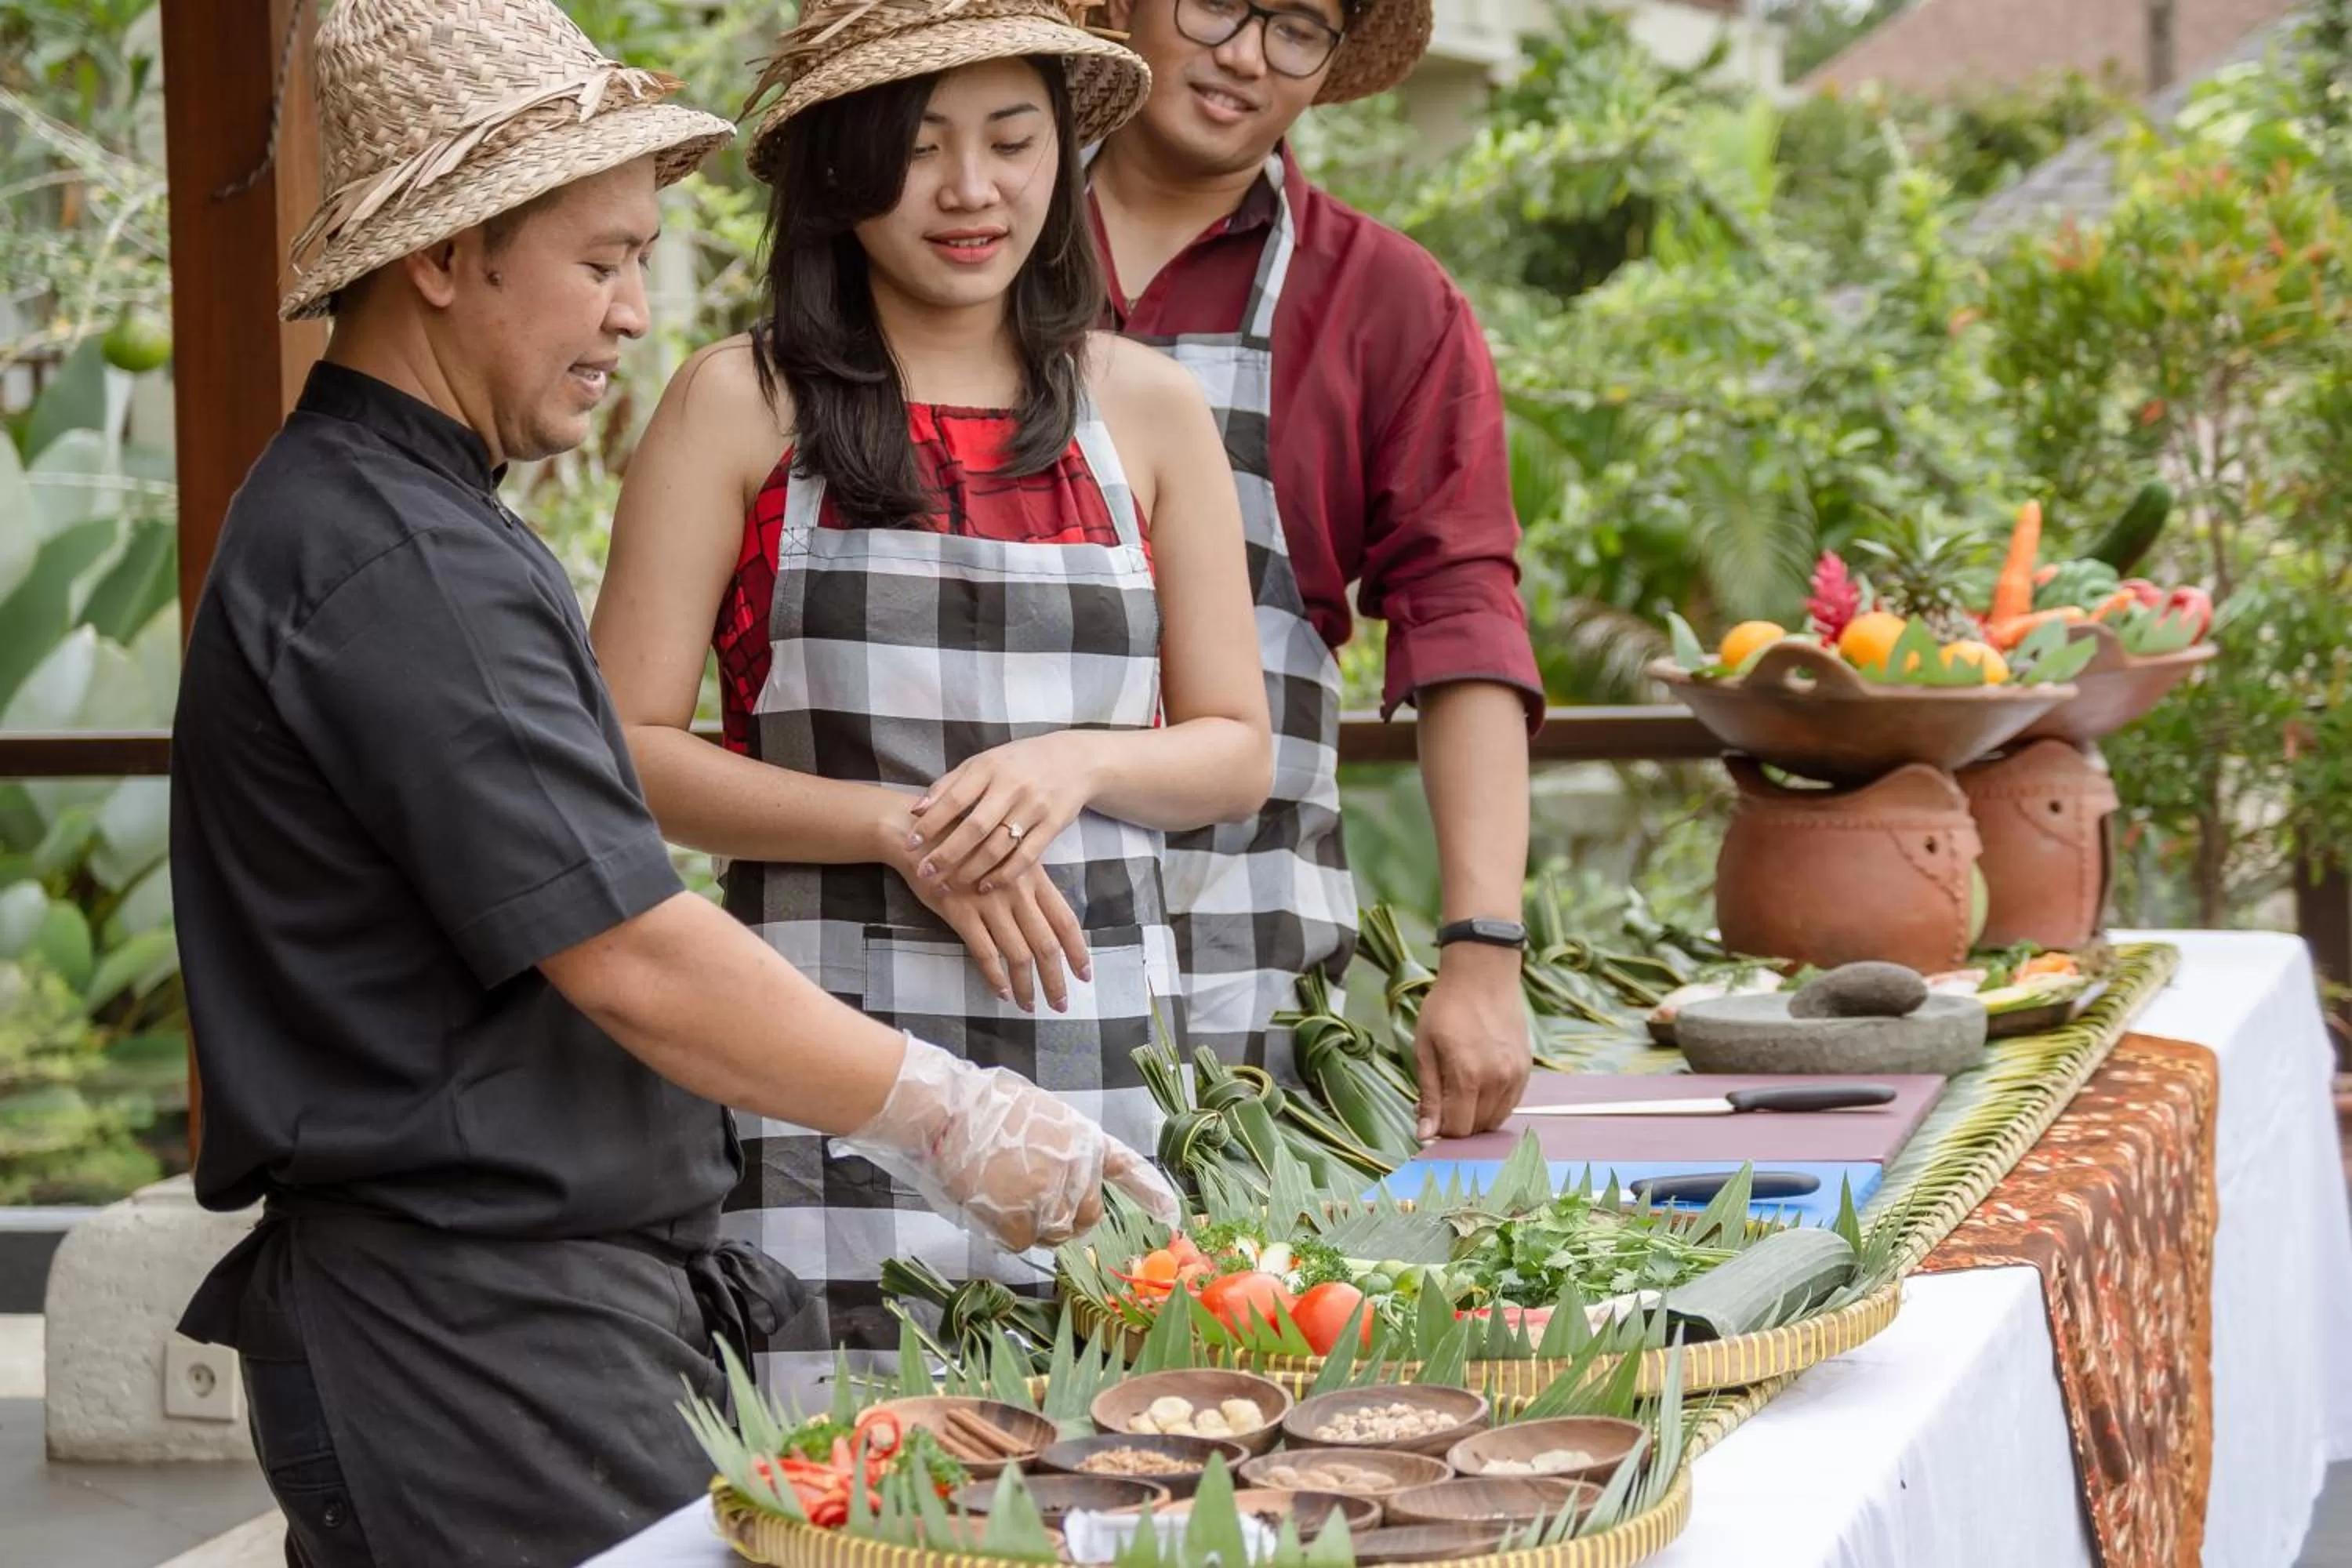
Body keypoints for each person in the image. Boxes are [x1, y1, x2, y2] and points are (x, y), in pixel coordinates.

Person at [169, 2, 1175, 1563]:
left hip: (527, 1312)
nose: (635, 312)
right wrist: (946, 1108)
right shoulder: (392, 554)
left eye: (642, 260)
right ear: (446, 254)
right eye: (600, 259)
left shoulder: (422, 511)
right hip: (467, 1332)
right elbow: (632, 948)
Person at [590, 0, 1272, 1403]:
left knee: (1106, 1463)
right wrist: (898, 826)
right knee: (832, 1481)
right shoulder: (741, 404)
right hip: (815, 1075)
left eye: (1013, 141)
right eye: (919, 149)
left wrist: (1074, 766)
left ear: (1061, 159)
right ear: (842, 174)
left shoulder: (1145, 411)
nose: (973, 191)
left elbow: (1236, 752)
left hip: (1096, 1058)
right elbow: (625, 754)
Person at [1086, 0, 1543, 1139]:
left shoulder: (1387, 302)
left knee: (1230, 1300)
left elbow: (1461, 615)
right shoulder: (970, 235)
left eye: (1297, 26)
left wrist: (1483, 951)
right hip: (974, 898)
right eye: (1218, 4)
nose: (1245, 54)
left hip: (1247, 926)